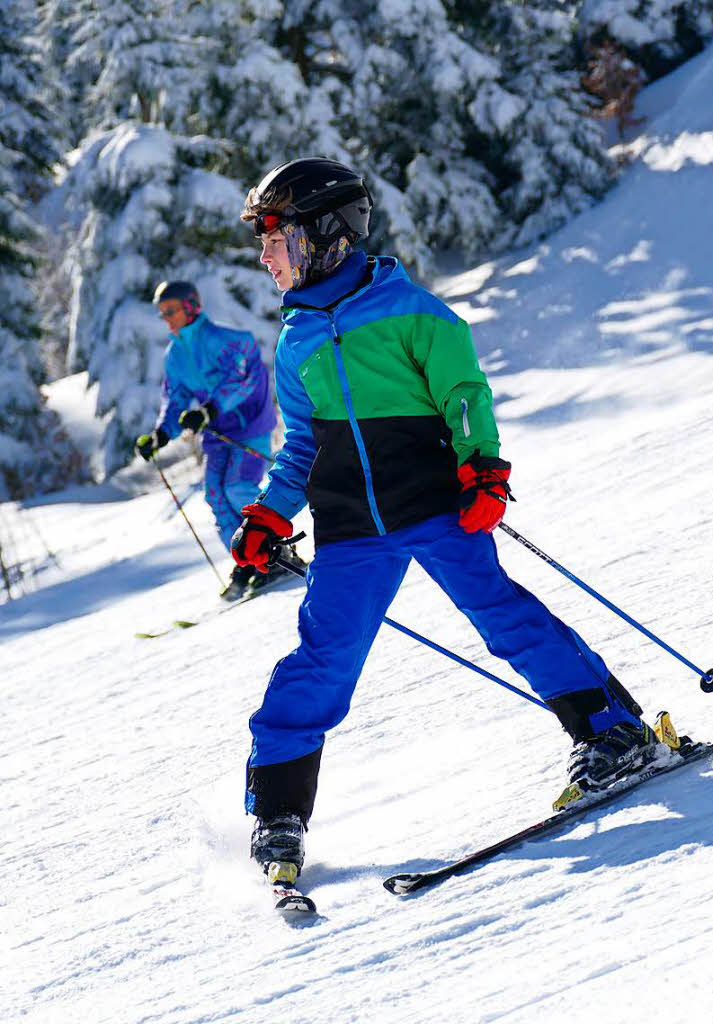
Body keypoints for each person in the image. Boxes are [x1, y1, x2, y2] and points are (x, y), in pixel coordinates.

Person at [232, 157, 662, 886]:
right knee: (321, 661)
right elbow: (300, 441)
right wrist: (270, 514)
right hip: (349, 529)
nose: (264, 254)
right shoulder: (296, 336)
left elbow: (465, 397)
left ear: (325, 233)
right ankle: (277, 809)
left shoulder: (415, 314)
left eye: (274, 235)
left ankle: (612, 732)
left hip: (433, 504)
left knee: (504, 618)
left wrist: (483, 468)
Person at [134, 280, 285, 600]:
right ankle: (248, 561)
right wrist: (161, 435)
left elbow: (244, 380)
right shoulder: (175, 354)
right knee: (215, 495)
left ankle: (276, 555)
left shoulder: (227, 340)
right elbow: (174, 399)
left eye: (171, 311)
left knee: (237, 488)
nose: (166, 319)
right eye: (162, 313)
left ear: (191, 306)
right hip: (218, 435)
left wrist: (209, 409)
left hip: (249, 425)